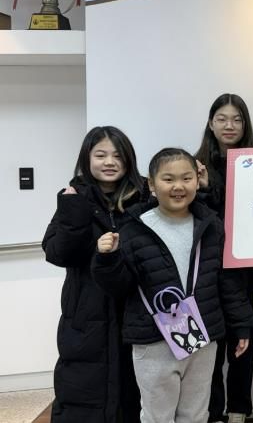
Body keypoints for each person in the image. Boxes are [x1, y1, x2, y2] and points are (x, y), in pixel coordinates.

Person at [92, 148, 253, 423]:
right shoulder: (133, 229)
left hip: (202, 337)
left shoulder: (211, 225)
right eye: (168, 179)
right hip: (153, 340)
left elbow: (227, 281)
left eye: (186, 178)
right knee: (157, 416)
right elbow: (120, 287)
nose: (178, 186)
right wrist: (107, 259)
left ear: (197, 181)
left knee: (196, 414)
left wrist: (241, 324)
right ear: (152, 185)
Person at [42, 126, 145, 423]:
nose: (109, 162)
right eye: (100, 155)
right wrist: (73, 211)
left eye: (117, 155)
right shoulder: (74, 197)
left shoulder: (145, 197)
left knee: (134, 395)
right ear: (87, 159)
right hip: (86, 313)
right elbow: (57, 253)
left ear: (128, 160)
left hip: (134, 310)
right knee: (83, 390)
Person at [194, 93, 253, 423]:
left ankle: (238, 411)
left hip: (252, 277)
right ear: (210, 123)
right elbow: (200, 222)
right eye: (222, 118)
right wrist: (205, 188)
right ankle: (213, 413)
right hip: (207, 279)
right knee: (209, 353)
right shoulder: (194, 167)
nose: (229, 125)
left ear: (245, 124)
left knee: (245, 348)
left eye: (237, 119)